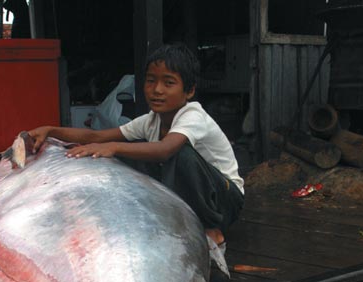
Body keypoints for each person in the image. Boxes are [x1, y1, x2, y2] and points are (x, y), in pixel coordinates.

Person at [29, 43, 244, 250]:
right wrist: (50, 130)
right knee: (130, 152)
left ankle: (211, 230)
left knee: (178, 154)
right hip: (199, 197)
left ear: (188, 91)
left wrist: (114, 147)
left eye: (169, 83)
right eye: (151, 81)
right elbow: (96, 135)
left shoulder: (193, 115)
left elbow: (165, 149)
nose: (157, 90)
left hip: (225, 201)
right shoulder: (151, 120)